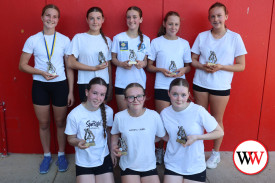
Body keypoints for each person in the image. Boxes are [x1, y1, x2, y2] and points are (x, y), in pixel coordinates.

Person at [19, 4, 74, 174]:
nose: (51, 19)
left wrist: (71, 90)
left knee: (60, 122)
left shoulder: (65, 40)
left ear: (58, 20)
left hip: (60, 85)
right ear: (42, 17)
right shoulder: (33, 39)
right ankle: (47, 155)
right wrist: (41, 72)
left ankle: (62, 155)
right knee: (43, 123)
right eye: (48, 15)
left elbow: (69, 66)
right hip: (40, 85)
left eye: (55, 16)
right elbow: (22, 65)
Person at [191, 2, 246, 169]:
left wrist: (221, 67)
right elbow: (193, 60)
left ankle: (215, 154)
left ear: (226, 17)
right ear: (209, 19)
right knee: (198, 120)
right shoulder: (202, 36)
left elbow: (241, 66)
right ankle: (196, 152)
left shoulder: (235, 38)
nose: (216, 19)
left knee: (216, 120)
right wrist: (203, 66)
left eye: (219, 15)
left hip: (220, 86)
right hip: (200, 83)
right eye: (213, 16)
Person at [147, 11, 192, 164]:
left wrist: (182, 71)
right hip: (161, 86)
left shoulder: (184, 43)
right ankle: (159, 150)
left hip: (179, 88)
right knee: (162, 121)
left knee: (178, 121)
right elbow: (149, 66)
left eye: (176, 24)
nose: (173, 27)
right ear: (165, 24)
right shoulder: (156, 42)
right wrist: (161, 70)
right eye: (170, 23)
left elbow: (188, 67)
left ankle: (175, 153)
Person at [161, 78, 224, 183]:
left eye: (183, 95)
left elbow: (219, 132)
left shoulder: (198, 110)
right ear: (168, 93)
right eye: (175, 94)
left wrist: (197, 137)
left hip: (195, 165)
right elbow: (165, 135)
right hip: (173, 163)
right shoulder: (164, 113)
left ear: (189, 94)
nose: (179, 99)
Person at [111, 83, 166, 183]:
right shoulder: (119, 117)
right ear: (125, 99)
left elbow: (162, 136)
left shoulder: (154, 116)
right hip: (128, 165)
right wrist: (113, 146)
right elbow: (114, 133)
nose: (135, 100)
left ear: (144, 98)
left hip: (149, 165)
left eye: (139, 96)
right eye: (131, 97)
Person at [65, 77, 115, 183]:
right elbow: (70, 139)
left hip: (103, 157)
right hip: (84, 161)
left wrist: (112, 153)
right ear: (87, 92)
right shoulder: (74, 114)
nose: (98, 98)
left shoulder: (108, 111)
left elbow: (108, 133)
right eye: (95, 93)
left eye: (102, 95)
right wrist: (78, 142)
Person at [67, 7, 112, 102]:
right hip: (85, 83)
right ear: (87, 20)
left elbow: (109, 66)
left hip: (103, 83)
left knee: (101, 114)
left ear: (103, 20)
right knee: (86, 114)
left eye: (98, 18)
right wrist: (93, 68)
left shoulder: (107, 40)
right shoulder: (79, 38)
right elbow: (70, 63)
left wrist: (110, 86)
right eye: (92, 18)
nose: (95, 22)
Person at [111, 6, 151, 111]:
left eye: (134, 17)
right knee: (123, 115)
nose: (131, 20)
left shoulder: (146, 40)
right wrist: (121, 64)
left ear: (141, 19)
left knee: (137, 116)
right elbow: (113, 59)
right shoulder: (118, 38)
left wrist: (142, 64)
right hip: (121, 83)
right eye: (128, 17)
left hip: (139, 83)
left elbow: (146, 61)